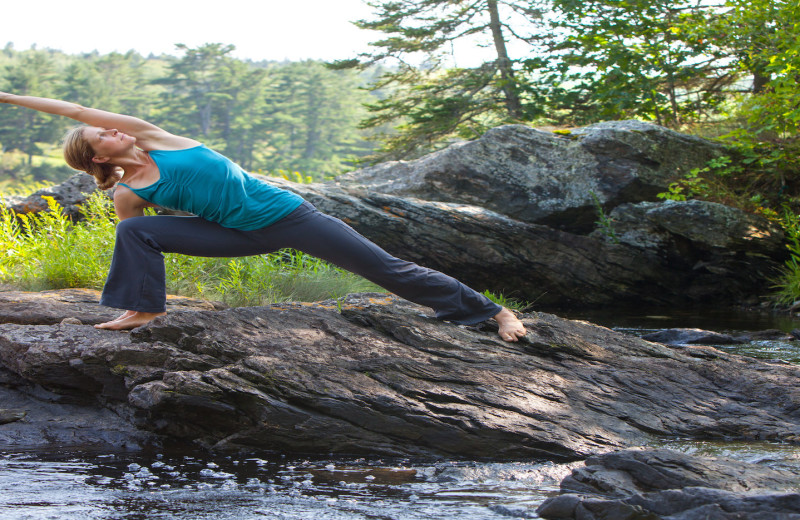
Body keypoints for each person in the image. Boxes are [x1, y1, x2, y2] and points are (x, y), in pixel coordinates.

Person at [0, 92, 527, 341]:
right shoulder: (127, 192)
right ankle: (143, 310)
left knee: (386, 270)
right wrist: (142, 281)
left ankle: (492, 312)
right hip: (235, 235)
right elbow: (134, 243)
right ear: (97, 158)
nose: (113, 130)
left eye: (109, 126)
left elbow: (72, 111)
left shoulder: (156, 136)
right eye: (103, 137)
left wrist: (5, 97)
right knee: (136, 230)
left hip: (289, 217)